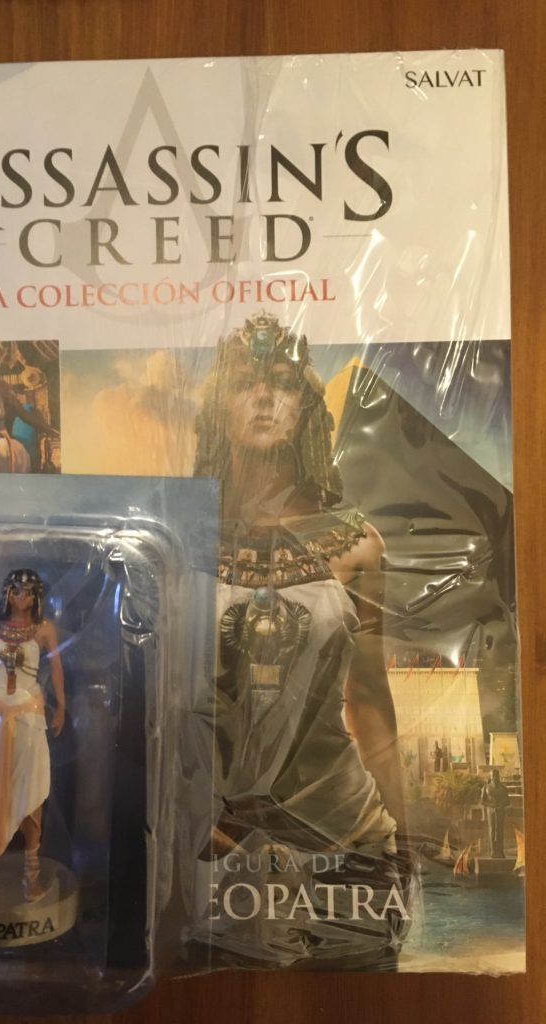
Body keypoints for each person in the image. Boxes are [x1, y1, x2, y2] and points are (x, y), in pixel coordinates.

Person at [193, 312, 408, 967]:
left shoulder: (358, 543)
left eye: (283, 383)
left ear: (305, 407)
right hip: (209, 839)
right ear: (218, 405)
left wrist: (408, 845)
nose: (264, 397)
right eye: (245, 382)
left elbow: (369, 700)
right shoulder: (177, 536)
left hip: (344, 834)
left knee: (363, 1000)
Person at [0, 568, 65, 901]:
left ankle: (31, 869)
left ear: (37, 597)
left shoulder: (45, 629)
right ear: (6, 594)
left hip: (29, 717)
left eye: (29, 593)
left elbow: (56, 669)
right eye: (17, 592)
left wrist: (62, 706)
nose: (22, 599)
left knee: (31, 789)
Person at [481, 769, 510, 858]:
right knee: (492, 830)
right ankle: (492, 850)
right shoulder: (486, 787)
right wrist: (491, 805)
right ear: (490, 776)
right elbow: (482, 801)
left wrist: (501, 805)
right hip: (491, 811)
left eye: (496, 775)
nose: (495, 777)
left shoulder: (503, 788)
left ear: (498, 776)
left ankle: (500, 851)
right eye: (493, 775)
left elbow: (508, 801)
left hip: (500, 810)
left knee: (500, 830)